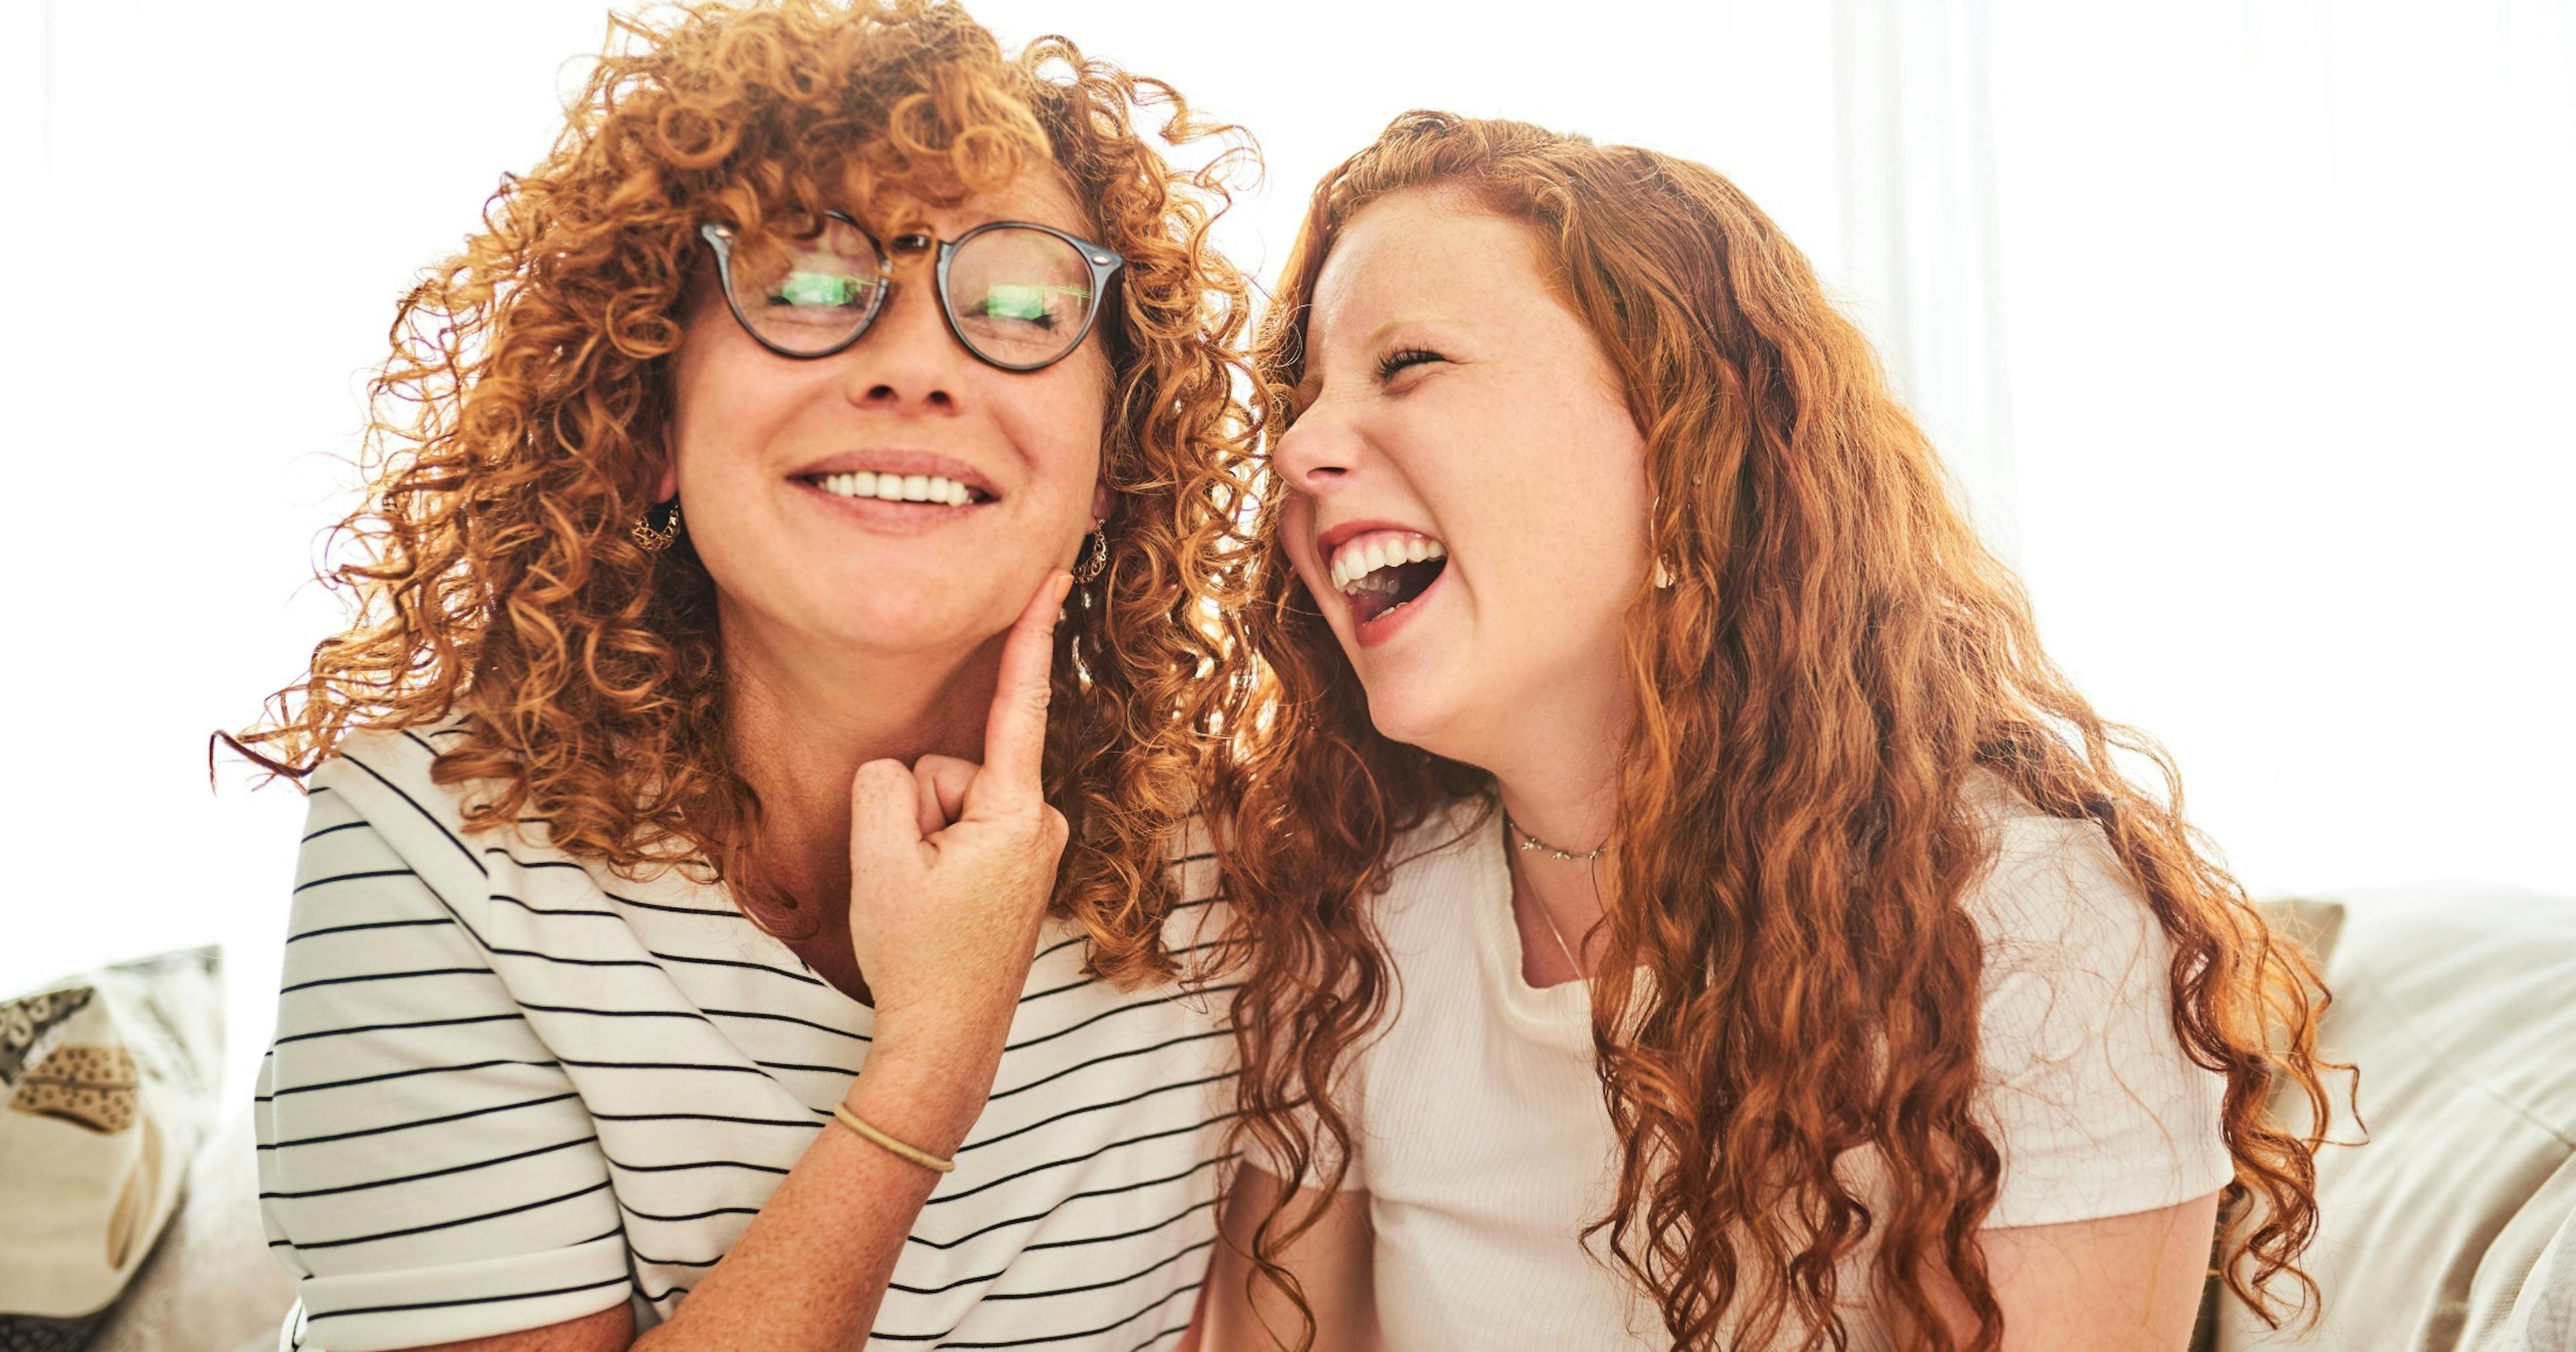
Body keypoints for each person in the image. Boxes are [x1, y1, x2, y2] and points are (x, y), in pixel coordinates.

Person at [1193, 113, 2337, 1351]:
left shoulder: (2025, 925)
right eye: (1300, 397)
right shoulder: (1358, 922)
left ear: (1691, 450)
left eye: (1408, 364)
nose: (1298, 450)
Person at [230, 3, 1254, 1347]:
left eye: (1019, 305)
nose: (913, 368)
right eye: (810, 285)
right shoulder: (433, 844)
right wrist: (927, 1070)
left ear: (1113, 462)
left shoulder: (1236, 874)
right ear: (650, 417)